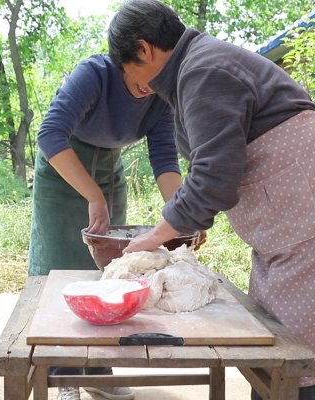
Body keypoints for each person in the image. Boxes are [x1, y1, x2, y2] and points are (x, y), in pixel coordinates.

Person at [107, 1, 315, 399]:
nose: (130, 79)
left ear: (144, 49)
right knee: (278, 348)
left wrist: (157, 236)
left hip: (303, 218)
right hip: (287, 224)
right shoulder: (198, 66)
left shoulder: (202, 70)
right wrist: (190, 218)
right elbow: (216, 157)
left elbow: (213, 176)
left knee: (298, 356)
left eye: (125, 67)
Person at [28, 53, 183, 400]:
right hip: (63, 173)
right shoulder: (94, 74)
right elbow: (51, 135)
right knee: (61, 273)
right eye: (140, 76)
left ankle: (97, 368)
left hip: (108, 174)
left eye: (157, 78)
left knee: (107, 273)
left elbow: (164, 156)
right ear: (125, 59)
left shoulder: (160, 91)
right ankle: (62, 373)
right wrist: (93, 196)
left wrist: (183, 212)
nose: (148, 86)